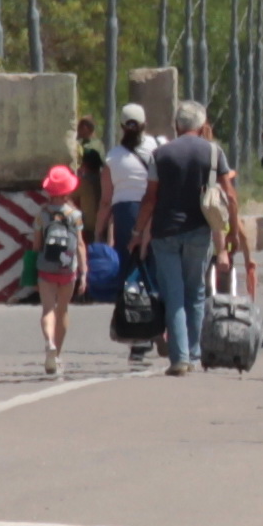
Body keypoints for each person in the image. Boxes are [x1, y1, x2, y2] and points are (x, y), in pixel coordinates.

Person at [135, 101, 230, 375]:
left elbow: (150, 199)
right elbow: (226, 198)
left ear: (177, 126)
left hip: (165, 233)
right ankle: (195, 352)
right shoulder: (214, 152)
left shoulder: (160, 154)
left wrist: (137, 232)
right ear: (202, 127)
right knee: (196, 292)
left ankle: (179, 358)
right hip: (200, 231)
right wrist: (227, 241)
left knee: (173, 295)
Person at [104, 109, 155, 358]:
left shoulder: (113, 158)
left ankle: (138, 335)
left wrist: (98, 234)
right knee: (156, 270)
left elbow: (105, 201)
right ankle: (161, 329)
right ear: (145, 124)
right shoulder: (158, 147)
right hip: (155, 210)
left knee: (131, 275)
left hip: (125, 215)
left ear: (122, 126)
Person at [27, 163, 85, 377]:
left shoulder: (42, 215)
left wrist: (32, 272)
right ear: (69, 190)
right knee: (63, 310)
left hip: (46, 268)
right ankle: (57, 355)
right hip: (67, 269)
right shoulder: (74, 215)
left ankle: (48, 343)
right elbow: (79, 244)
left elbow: (36, 245)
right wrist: (84, 273)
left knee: (47, 310)